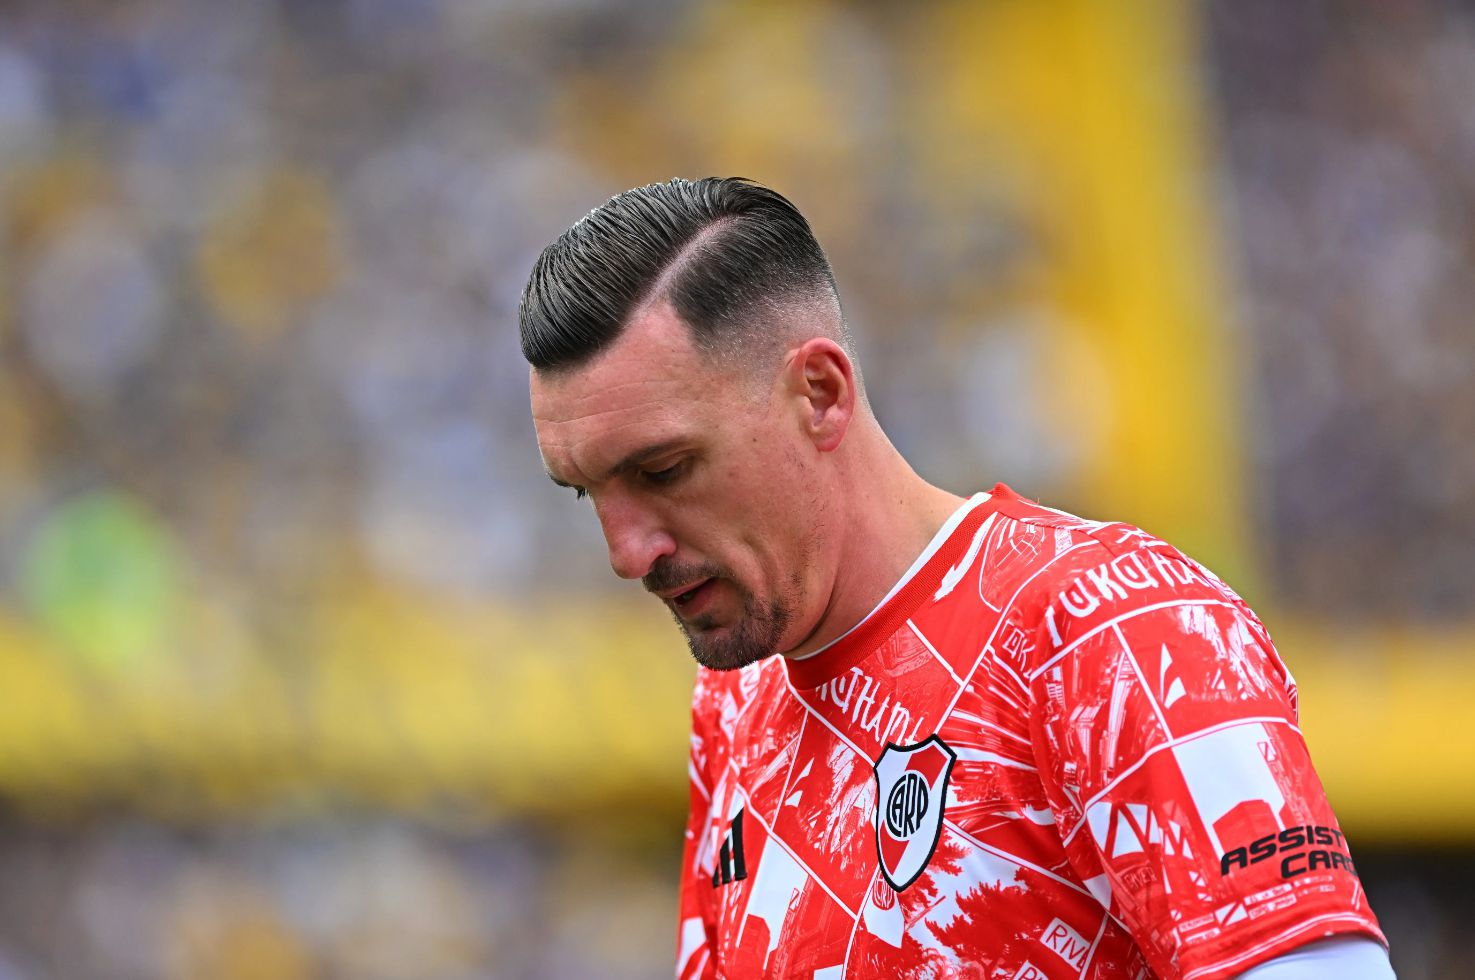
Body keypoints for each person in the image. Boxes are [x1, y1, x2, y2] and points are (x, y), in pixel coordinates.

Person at [521, 178, 1392, 979]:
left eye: (663, 470)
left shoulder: (1117, 626)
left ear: (819, 393)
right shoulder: (735, 703)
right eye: (585, 492)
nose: (625, 553)